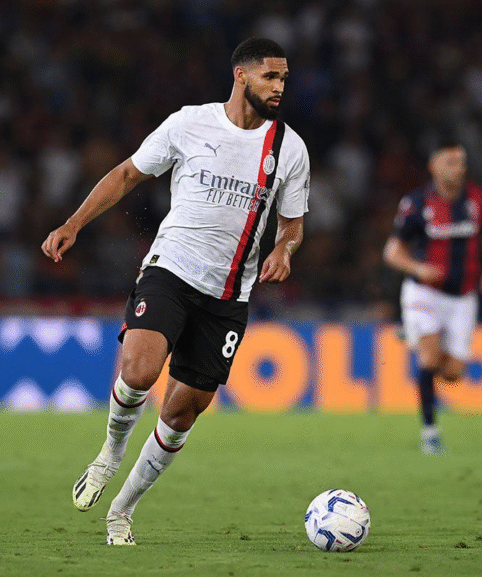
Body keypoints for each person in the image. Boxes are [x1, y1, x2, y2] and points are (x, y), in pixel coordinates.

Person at [40, 37, 310, 545]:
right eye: (271, 77)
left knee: (182, 411)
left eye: (284, 79)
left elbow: (292, 225)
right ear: (241, 75)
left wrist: (285, 250)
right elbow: (127, 174)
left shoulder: (289, 148)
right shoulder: (190, 123)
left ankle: (122, 510)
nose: (279, 87)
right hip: (171, 270)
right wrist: (73, 224)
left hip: (229, 295)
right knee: (139, 371)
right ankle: (110, 453)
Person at [382, 135, 482, 454]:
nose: (458, 168)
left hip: (463, 296)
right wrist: (418, 268)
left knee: (453, 373)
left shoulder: (477, 199)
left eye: (461, 162)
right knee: (430, 357)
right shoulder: (417, 204)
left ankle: (413, 334)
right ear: (433, 166)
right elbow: (392, 252)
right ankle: (430, 433)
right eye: (450, 162)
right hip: (425, 292)